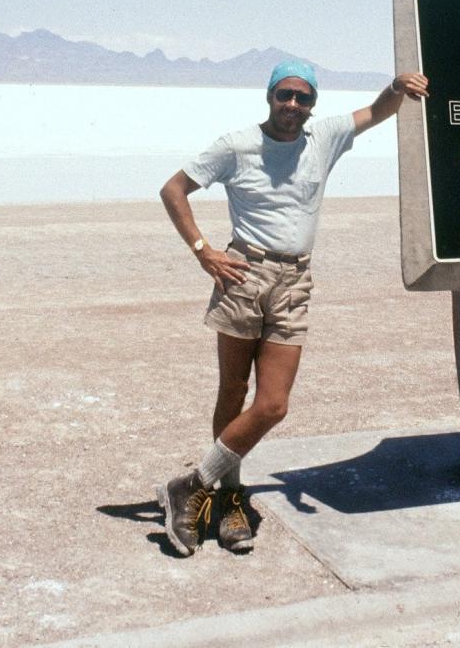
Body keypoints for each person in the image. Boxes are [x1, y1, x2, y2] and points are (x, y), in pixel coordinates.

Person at [156, 59, 428, 555]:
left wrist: (396, 86)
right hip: (243, 273)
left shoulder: (322, 137)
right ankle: (230, 498)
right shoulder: (235, 145)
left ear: (312, 104)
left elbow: (376, 111)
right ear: (269, 96)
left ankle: (190, 485)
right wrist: (204, 252)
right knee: (233, 389)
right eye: (285, 95)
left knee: (273, 404)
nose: (293, 105)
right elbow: (174, 189)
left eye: (303, 98)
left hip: (294, 280)